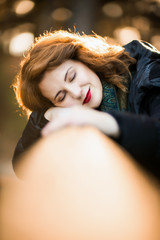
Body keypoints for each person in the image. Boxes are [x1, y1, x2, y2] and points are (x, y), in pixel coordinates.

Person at [12, 30, 160, 179]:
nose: (76, 93)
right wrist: (46, 116)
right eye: (62, 96)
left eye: (72, 76)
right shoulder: (67, 113)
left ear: (84, 59)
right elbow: (22, 167)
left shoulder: (147, 70)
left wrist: (104, 122)